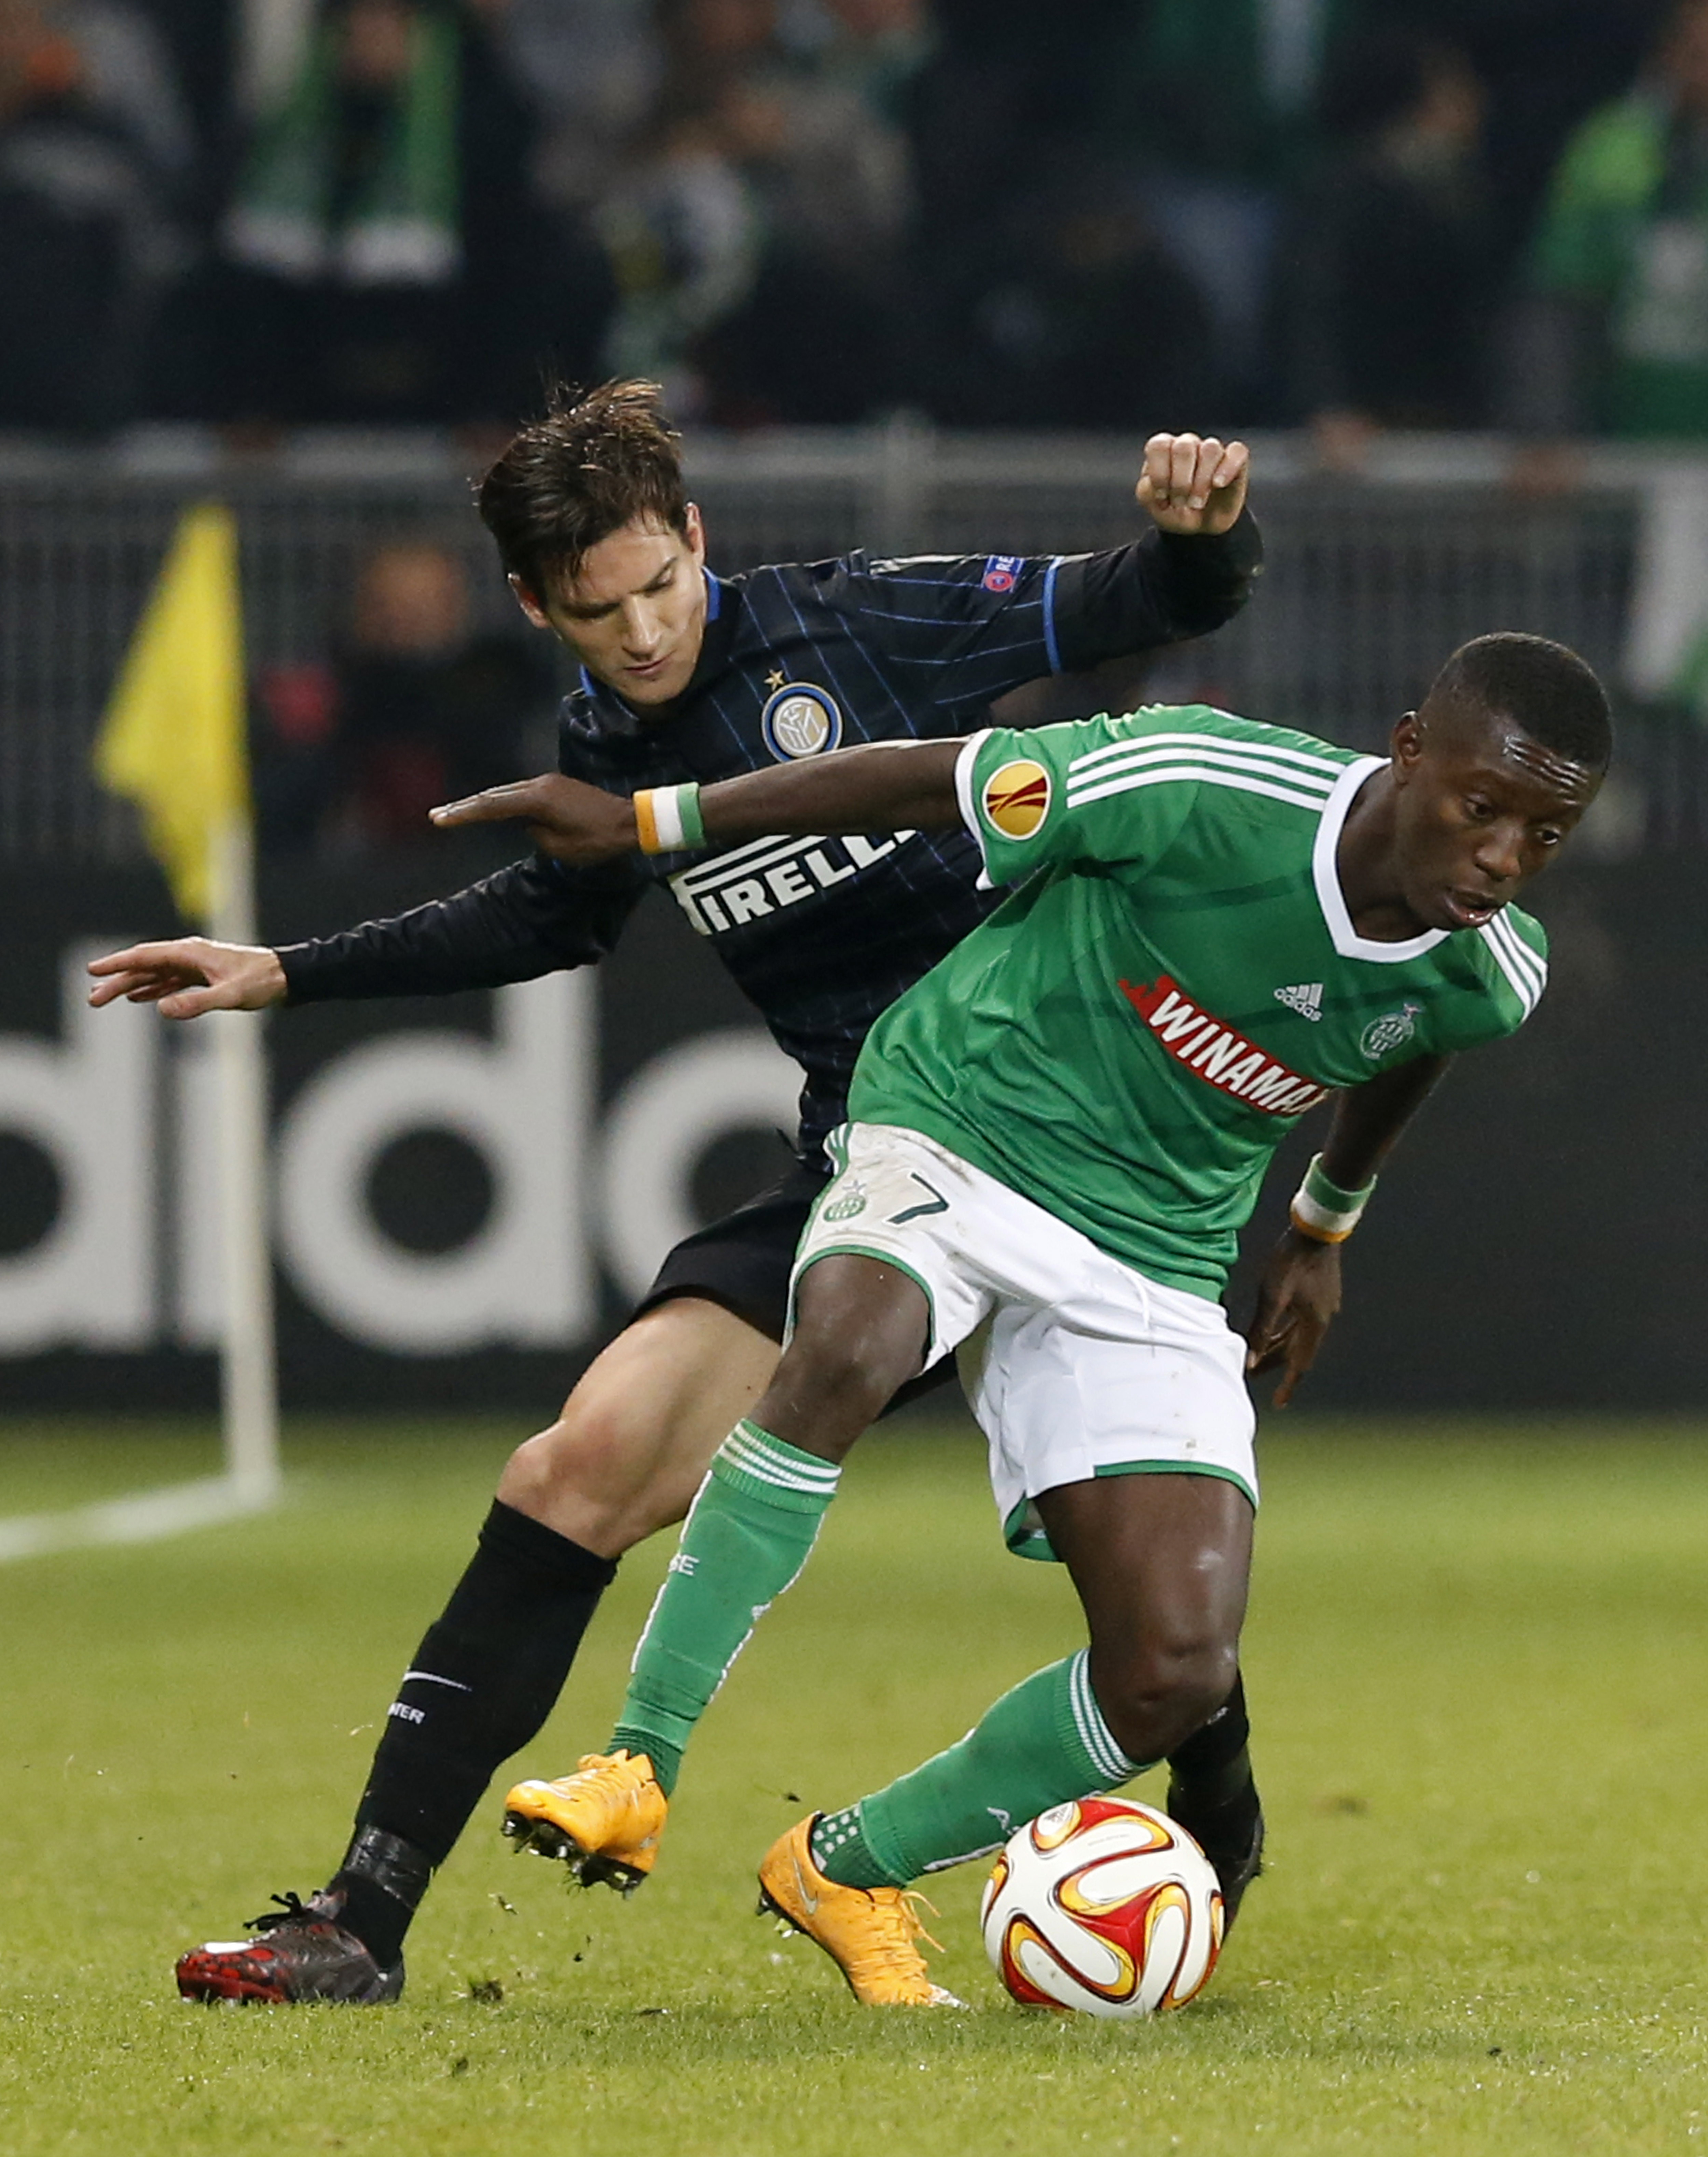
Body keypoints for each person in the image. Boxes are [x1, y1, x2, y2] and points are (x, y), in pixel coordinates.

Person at [86, 380, 1266, 2004]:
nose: (642, 630)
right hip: (875, 1161)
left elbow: (1141, 605)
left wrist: (1201, 534)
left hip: (1076, 1155)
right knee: (577, 1464)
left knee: (1147, 1600)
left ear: (698, 533)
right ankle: (357, 1921)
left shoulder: (866, 626)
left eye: (661, 583)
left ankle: (1220, 1816)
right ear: (534, 605)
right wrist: (283, 969)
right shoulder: (604, 735)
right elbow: (551, 918)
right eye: (597, 610)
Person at [432, 629, 1608, 2005]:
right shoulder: (1198, 782)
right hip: (963, 1122)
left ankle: (844, 1865)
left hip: (1155, 1251)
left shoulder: (1491, 969)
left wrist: (1320, 1224)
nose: (1502, 857)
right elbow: (929, 779)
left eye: (1545, 833)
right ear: (1410, 750)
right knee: (851, 1342)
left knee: (1170, 1668)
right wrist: (649, 819)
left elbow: (1410, 1034)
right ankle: (638, 1761)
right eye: (1483, 807)